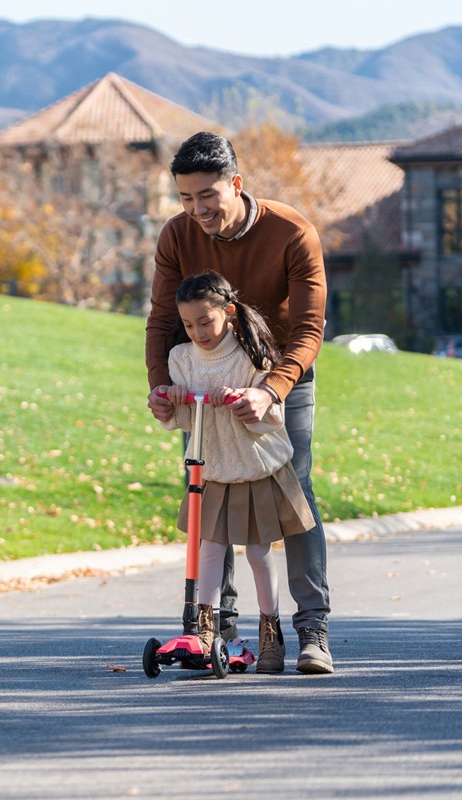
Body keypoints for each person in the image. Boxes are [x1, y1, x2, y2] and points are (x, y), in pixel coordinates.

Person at [145, 131, 334, 674]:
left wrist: (269, 389)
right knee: (211, 491)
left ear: (236, 183)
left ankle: (311, 630)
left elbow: (307, 329)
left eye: (208, 195)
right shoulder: (178, 235)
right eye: (185, 198)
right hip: (203, 378)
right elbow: (162, 319)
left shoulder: (291, 231)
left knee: (293, 493)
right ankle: (213, 632)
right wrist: (161, 384)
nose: (197, 210)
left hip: (279, 379)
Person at [158, 272, 314, 673]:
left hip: (254, 466)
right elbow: (182, 418)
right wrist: (168, 401)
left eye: (205, 322)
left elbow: (271, 415)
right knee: (209, 548)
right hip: (213, 469)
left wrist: (247, 401)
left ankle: (270, 633)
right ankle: (204, 629)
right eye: (189, 325)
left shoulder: (251, 356)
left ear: (227, 312)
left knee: (258, 553)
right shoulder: (181, 358)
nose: (197, 332)